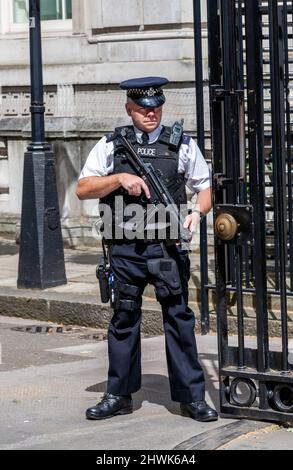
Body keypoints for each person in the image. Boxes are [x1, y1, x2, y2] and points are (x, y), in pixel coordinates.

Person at [76, 76, 218, 422]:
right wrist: (118, 180)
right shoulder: (112, 145)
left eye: (156, 108)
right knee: (124, 319)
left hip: (167, 248)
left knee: (179, 319)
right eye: (142, 109)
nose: (151, 114)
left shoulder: (181, 144)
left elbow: (204, 187)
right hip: (125, 248)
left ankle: (192, 398)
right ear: (130, 110)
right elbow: (83, 188)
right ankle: (118, 395)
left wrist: (197, 215)